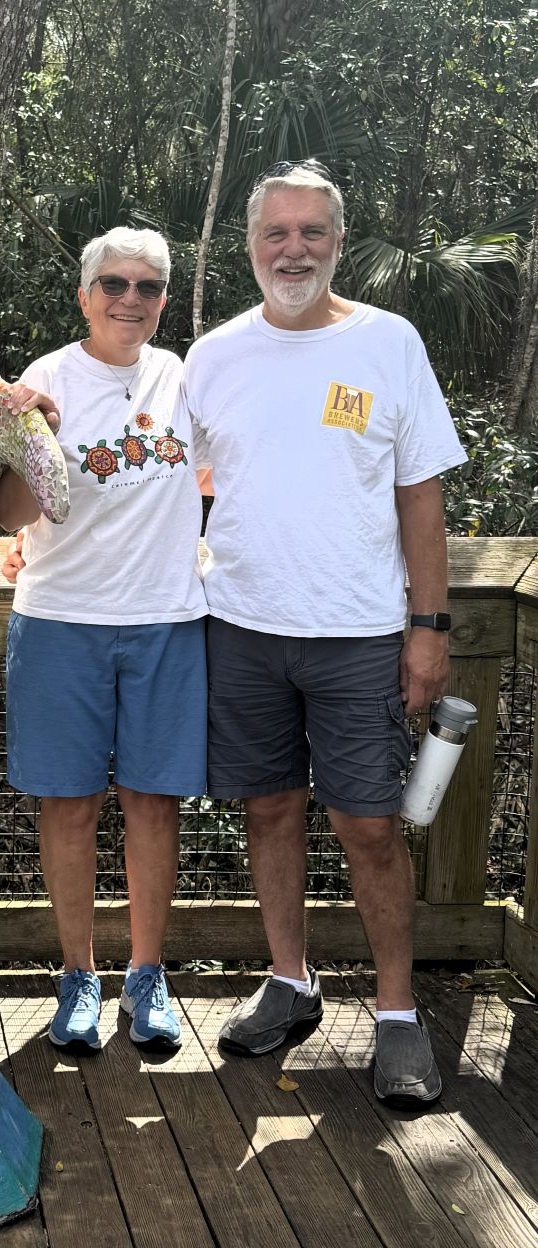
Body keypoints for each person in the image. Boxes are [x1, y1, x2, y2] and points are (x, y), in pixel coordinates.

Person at [183, 160, 466, 1105]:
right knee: (267, 810)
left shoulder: (389, 343)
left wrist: (429, 628)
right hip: (240, 627)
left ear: (338, 243)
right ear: (250, 246)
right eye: (277, 232)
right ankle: (290, 982)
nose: (293, 249)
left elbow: (421, 495)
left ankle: (397, 1014)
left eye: (312, 232)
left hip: (360, 633)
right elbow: (173, 482)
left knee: (370, 826)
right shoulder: (214, 355)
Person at [0, 227, 207, 1052]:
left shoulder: (186, 378)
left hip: (166, 618)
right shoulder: (46, 377)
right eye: (114, 284)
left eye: (148, 286)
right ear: (85, 295)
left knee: (153, 803)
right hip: (61, 619)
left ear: (164, 299)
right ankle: (78, 975)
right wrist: (30, 438)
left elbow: (229, 471)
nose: (130, 299)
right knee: (69, 805)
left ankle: (147, 976)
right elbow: (10, 514)